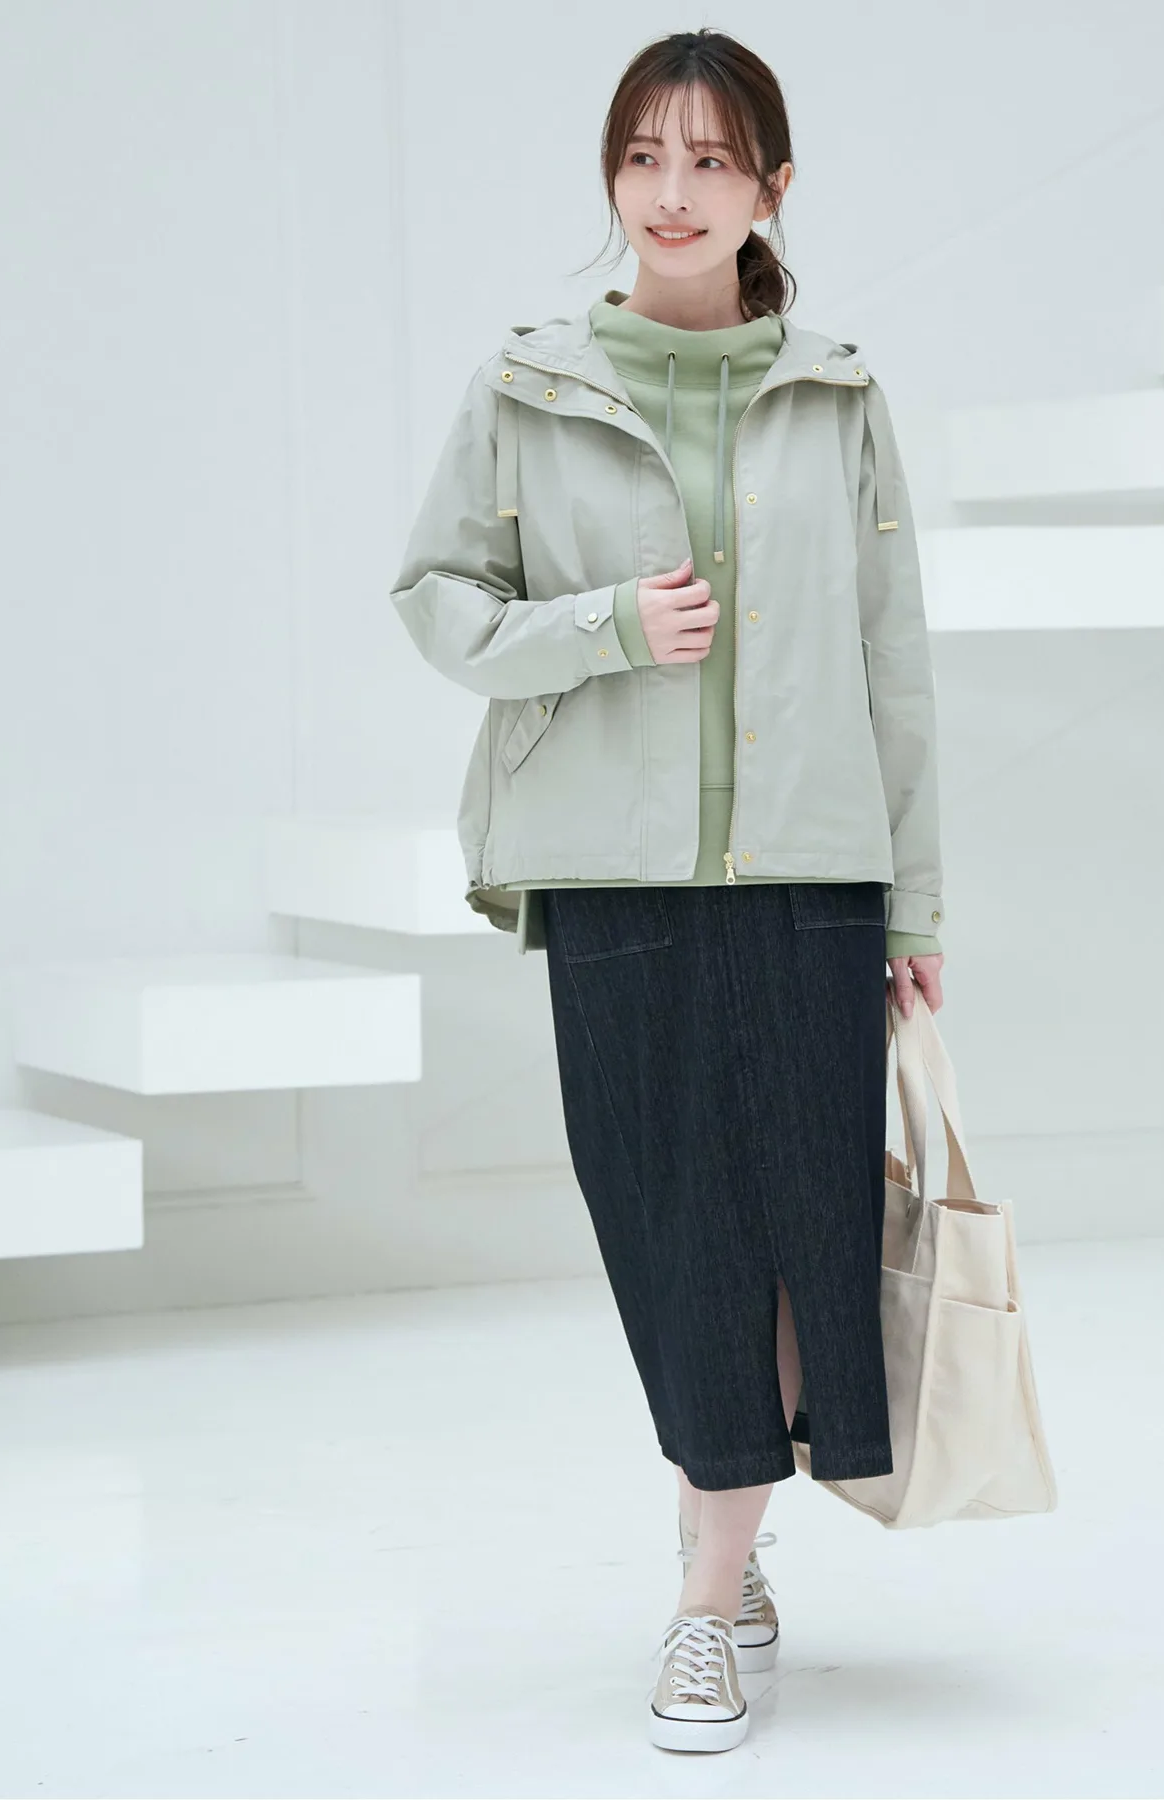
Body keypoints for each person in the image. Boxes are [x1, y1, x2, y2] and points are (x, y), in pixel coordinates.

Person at [389, 26, 946, 1755]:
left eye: (711, 159)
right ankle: (725, 1560)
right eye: (644, 155)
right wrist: (612, 627)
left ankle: (710, 1592)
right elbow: (437, 603)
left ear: (773, 186)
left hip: (809, 875)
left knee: (795, 1239)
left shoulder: (836, 393)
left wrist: (915, 906)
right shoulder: (529, 386)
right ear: (612, 178)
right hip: (614, 875)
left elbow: (894, 661)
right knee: (672, 1234)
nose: (674, 191)